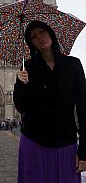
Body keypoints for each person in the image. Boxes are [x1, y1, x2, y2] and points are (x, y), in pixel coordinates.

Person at [13, 20, 86, 183]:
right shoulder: (28, 68)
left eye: (42, 32)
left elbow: (83, 108)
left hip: (65, 142)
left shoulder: (72, 65)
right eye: (34, 36)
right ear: (31, 43)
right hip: (33, 141)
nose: (39, 37)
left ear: (51, 34)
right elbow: (20, 106)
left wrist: (84, 152)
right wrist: (20, 84)